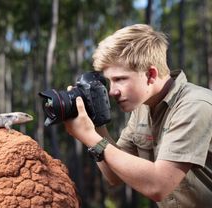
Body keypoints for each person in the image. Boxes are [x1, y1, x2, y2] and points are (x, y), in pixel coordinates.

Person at [64, 24, 212, 207]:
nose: (112, 92)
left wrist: (91, 137)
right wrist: (96, 125)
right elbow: (114, 175)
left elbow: (158, 185)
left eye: (120, 79)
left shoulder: (194, 106)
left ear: (151, 74)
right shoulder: (142, 108)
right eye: (109, 81)